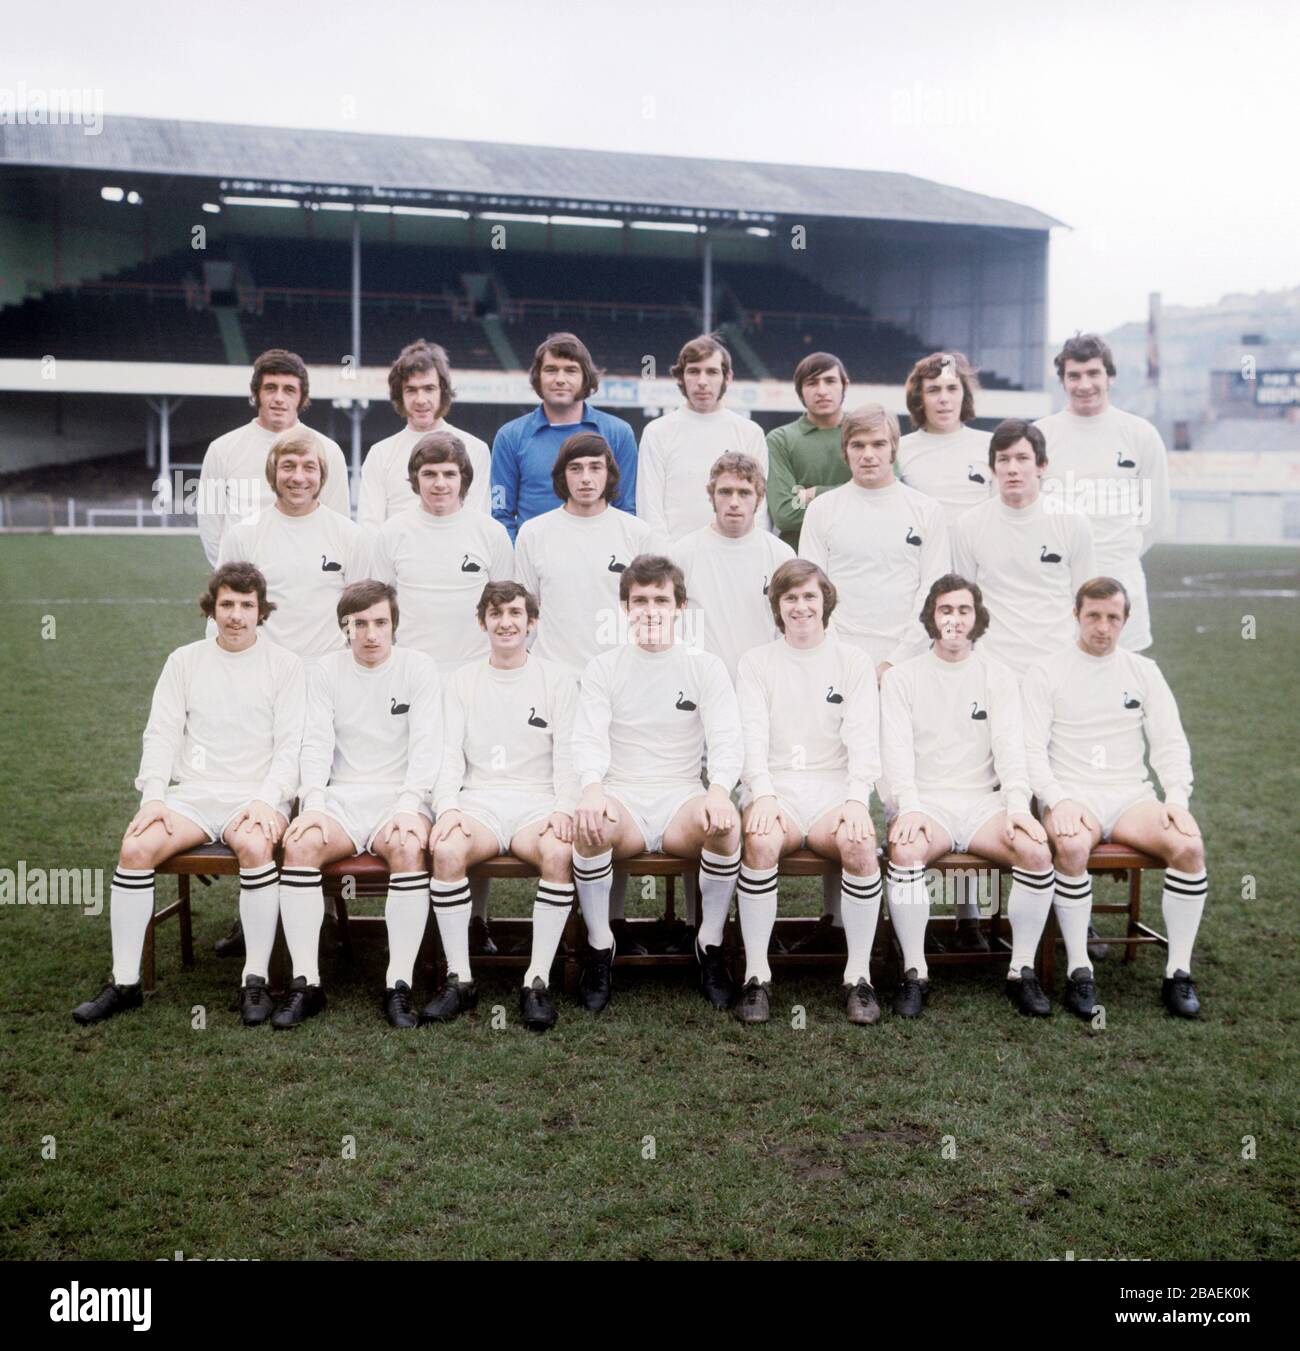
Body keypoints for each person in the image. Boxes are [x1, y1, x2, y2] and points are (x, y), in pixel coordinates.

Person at [72, 564, 305, 1026]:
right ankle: (125, 983)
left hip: (256, 796)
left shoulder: (286, 665)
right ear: (211, 608)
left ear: (261, 612)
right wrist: (154, 797)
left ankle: (253, 979)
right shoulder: (184, 660)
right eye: (227, 605)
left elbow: (291, 744)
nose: (236, 616)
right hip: (193, 796)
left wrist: (267, 798)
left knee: (256, 846)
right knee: (135, 848)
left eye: (246, 606)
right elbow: (160, 733)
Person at [1021, 576, 1207, 1018]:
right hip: (1072, 795)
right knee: (1069, 846)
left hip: (1130, 797)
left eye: (1112, 618)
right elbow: (1029, 748)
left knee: (1189, 847)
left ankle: (1177, 973)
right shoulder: (1047, 671)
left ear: (1126, 620)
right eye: (1093, 616)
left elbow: (1170, 743)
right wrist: (1055, 798)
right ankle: (1080, 973)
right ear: (1076, 615)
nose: (1102, 627)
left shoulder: (1144, 671)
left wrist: (1176, 799)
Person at [570, 556, 744, 1013]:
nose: (650, 609)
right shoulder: (603, 667)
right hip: (621, 795)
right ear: (625, 608)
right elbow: (588, 736)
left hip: (680, 794)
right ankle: (599, 947)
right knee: (589, 828)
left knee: (726, 828)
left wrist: (720, 789)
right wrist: (591, 788)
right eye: (640, 600)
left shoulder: (705, 667)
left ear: (679, 606)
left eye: (660, 600)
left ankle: (709, 946)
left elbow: (727, 737)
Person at [879, 574, 1055, 1019]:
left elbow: (1011, 750)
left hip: (983, 803)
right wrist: (910, 806)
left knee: (1036, 852)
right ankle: (915, 971)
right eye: (945, 610)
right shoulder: (903, 678)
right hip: (928, 802)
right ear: (930, 618)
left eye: (963, 610)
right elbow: (895, 754)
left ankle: (1022, 971)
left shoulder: (998, 676)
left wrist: (1018, 806)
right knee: (904, 851)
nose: (954, 619)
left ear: (977, 619)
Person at [426, 582, 580, 1032]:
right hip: (480, 801)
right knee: (448, 851)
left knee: (558, 853)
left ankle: (536, 981)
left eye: (515, 613)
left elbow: (569, 753)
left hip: (539, 803)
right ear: (482, 623)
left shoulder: (557, 679)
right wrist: (448, 806)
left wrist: (564, 806)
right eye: (496, 614)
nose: (506, 621)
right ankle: (461, 978)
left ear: (532, 623)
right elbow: (448, 753)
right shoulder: (461, 681)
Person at [735, 560, 883, 1025]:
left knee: (860, 847)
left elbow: (863, 740)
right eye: (790, 598)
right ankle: (755, 976)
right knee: (759, 842)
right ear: (778, 607)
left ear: (826, 602)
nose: (801, 607)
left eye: (809, 597)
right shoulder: (756, 662)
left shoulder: (853, 662)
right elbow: (751, 738)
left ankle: (858, 977)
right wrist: (763, 794)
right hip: (775, 786)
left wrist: (858, 799)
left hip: (833, 790)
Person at [1036, 334, 1170, 651]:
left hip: (1121, 583)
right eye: (1074, 375)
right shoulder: (1041, 435)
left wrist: (1117, 555)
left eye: (1093, 373)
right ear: (1062, 381)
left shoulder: (1140, 434)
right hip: (1055, 589)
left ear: (1110, 376)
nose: (1084, 385)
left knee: (1120, 689)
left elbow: (1154, 516)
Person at [798, 403, 950, 680]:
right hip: (835, 661)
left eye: (878, 444)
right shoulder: (822, 510)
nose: (868, 455)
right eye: (858, 445)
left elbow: (933, 591)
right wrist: (838, 658)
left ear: (893, 448)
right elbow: (810, 592)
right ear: (845, 451)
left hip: (908, 662)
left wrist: (897, 662)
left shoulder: (927, 510)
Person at [952, 419, 1096, 676]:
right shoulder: (968, 526)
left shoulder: (1073, 523)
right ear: (993, 468)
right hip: (992, 667)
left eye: (1022, 458)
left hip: (1057, 665)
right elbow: (965, 602)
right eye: (1003, 459)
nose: (1012, 469)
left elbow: (1086, 600)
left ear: (1042, 465)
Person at [217, 429, 368, 663]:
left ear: (322, 475)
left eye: (309, 467)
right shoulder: (242, 536)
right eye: (288, 466)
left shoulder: (351, 536)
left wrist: (349, 664)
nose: (298, 478)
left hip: (327, 672)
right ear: (272, 473)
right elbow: (224, 610)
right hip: (263, 668)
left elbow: (360, 612)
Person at [369, 430, 514, 673]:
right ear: (415, 478)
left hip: (476, 671)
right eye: (429, 474)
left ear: (463, 478)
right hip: (410, 670)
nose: (440, 484)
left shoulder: (492, 533)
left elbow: (507, 608)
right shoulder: (392, 532)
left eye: (449, 474)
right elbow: (379, 608)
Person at [514, 432, 657, 676]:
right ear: (562, 475)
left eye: (595, 467)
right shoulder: (533, 533)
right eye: (576, 469)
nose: (586, 478)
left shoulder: (638, 533)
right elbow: (526, 610)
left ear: (609, 473)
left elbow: (651, 611)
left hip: (620, 675)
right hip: (553, 674)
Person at [197, 349, 350, 565]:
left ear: (302, 397)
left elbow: (338, 523)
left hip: (304, 576)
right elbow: (210, 525)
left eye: (289, 390)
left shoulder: (328, 451)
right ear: (255, 394)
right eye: (270, 388)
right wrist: (230, 576)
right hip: (244, 580)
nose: (279, 398)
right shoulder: (222, 449)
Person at [491, 332, 637, 540]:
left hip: (599, 558)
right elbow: (501, 514)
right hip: (534, 563)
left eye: (571, 371)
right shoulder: (510, 436)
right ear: (538, 377)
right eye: (551, 370)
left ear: (585, 378)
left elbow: (626, 510)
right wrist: (518, 561)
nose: (560, 379)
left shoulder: (618, 433)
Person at [636, 334, 770, 541]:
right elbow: (649, 507)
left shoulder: (750, 432)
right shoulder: (657, 431)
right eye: (693, 371)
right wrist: (662, 562)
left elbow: (759, 508)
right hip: (673, 562)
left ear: (728, 377)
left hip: (733, 556)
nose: (702, 382)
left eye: (712, 372)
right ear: (680, 377)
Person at [674, 454, 794, 682]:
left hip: (764, 683)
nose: (734, 502)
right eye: (725, 492)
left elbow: (787, 628)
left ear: (759, 498)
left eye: (745, 492)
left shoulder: (781, 554)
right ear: (711, 496)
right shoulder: (683, 553)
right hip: (701, 684)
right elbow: (673, 627)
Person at [357, 339, 491, 528]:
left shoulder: (475, 449)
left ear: (442, 391)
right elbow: (369, 527)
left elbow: (478, 521)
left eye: (429, 389)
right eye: (411, 390)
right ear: (400, 395)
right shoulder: (380, 454)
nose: (421, 400)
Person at [765, 352, 852, 549]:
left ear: (845, 385)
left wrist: (816, 493)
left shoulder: (868, 434)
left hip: (859, 555)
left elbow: (885, 495)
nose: (822, 391)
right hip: (802, 559)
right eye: (812, 383)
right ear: (800, 391)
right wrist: (857, 502)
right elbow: (785, 515)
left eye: (830, 381)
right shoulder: (781, 440)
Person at [897, 351, 993, 526]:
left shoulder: (992, 446)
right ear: (920, 398)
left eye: (952, 388)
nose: (944, 399)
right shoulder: (899, 450)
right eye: (933, 390)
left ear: (964, 394)